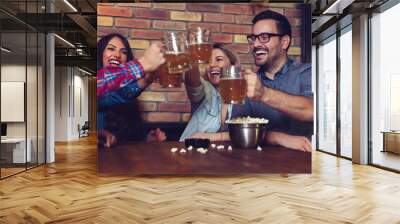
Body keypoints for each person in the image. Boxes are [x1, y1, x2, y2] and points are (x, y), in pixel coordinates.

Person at [236, 10, 313, 151]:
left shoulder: (307, 72)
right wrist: (278, 138)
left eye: (264, 37)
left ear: (284, 42)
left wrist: (264, 94)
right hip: (259, 166)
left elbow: (313, 110)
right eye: (253, 39)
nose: (255, 44)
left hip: (305, 165)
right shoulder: (248, 83)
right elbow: (237, 129)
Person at [97, 33, 166, 147]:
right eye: (111, 49)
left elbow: (119, 96)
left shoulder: (128, 97)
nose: (117, 55)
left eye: (123, 52)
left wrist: (146, 141)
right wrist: (144, 63)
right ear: (100, 54)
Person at [179, 43, 238, 141]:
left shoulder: (242, 96)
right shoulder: (206, 90)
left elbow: (247, 134)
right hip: (190, 154)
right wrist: (191, 55)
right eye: (208, 61)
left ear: (232, 66)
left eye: (219, 60)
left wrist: (212, 137)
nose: (212, 65)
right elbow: (193, 82)